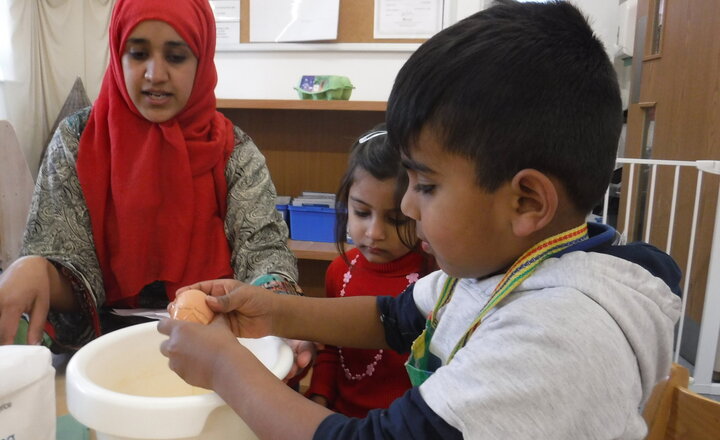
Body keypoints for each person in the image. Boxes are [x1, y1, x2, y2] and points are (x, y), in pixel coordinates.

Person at [157, 1, 682, 439]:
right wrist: (271, 312)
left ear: (526, 202)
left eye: (426, 186)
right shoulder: (503, 266)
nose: (408, 207)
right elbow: (396, 316)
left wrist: (226, 367)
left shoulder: (558, 338)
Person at [0, 0, 300, 353]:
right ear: (117, 53)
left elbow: (264, 252)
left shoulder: (233, 151)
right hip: (103, 347)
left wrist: (280, 303)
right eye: (139, 53)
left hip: (217, 341)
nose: (155, 74)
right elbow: (67, 265)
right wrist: (36, 268)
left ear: (202, 60)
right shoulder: (77, 141)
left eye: (176, 57)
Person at [305, 124, 431, 417]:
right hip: (340, 421)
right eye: (362, 213)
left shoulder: (434, 280)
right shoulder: (339, 272)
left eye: (396, 220)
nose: (374, 233)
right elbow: (332, 349)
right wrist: (319, 398)